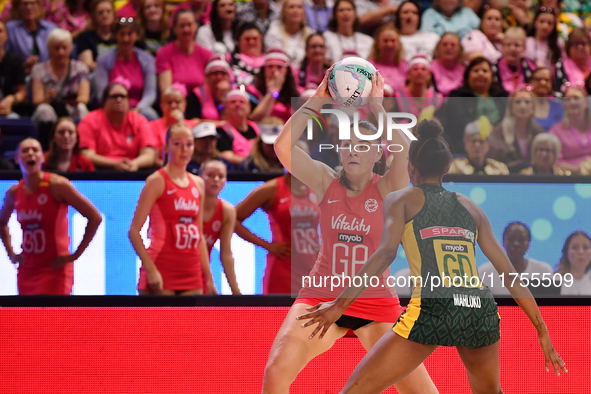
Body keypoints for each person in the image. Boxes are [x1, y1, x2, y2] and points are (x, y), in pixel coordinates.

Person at [296, 121, 566, 394]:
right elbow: (509, 275)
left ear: (411, 166)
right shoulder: (471, 207)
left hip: (433, 309)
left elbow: (385, 254)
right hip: (478, 311)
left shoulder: (401, 199)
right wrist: (541, 331)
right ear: (447, 167)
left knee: (355, 390)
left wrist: (339, 305)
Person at [265, 68, 437, 392]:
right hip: (321, 292)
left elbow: (406, 151)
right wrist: (317, 99)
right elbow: (282, 147)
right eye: (347, 144)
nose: (354, 150)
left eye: (363, 145)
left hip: (375, 302)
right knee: (275, 372)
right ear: (340, 152)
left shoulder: (389, 187)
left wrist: (378, 108)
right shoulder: (325, 181)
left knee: (424, 392)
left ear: (378, 153)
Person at [0, 138, 102, 295]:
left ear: (42, 156)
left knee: (53, 318)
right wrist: (11, 254)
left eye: (35, 150)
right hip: (27, 270)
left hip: (54, 269)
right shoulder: (14, 192)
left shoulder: (57, 185)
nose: (30, 154)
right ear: (16, 158)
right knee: (27, 319)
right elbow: (2, 223)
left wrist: (75, 254)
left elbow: (95, 217)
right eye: (25, 150)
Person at [128, 123, 217, 295]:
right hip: (161, 267)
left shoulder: (198, 183)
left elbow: (198, 235)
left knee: (192, 322)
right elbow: (133, 232)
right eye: (177, 144)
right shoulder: (157, 180)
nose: (184, 149)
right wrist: (150, 269)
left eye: (189, 144)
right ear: (166, 147)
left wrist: (209, 277)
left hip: (191, 271)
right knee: (161, 322)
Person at [234, 166, 320, 295]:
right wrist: (268, 246)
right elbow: (233, 219)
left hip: (313, 266)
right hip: (283, 266)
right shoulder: (271, 189)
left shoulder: (317, 188)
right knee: (279, 314)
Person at [31, 28, 90, 149]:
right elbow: (37, 101)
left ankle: (82, 148)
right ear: (49, 49)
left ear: (71, 49)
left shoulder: (80, 68)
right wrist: (46, 98)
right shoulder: (39, 69)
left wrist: (72, 100)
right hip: (50, 112)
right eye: (56, 48)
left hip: (71, 110)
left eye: (64, 48)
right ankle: (48, 148)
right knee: (43, 109)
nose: (61, 52)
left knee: (82, 108)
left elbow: (84, 98)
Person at [78, 80, 157, 170]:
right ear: (104, 101)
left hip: (132, 172)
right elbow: (86, 155)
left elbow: (149, 155)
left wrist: (135, 164)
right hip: (99, 174)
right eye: (114, 96)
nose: (119, 100)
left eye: (123, 96)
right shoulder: (89, 120)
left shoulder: (140, 121)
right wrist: (114, 164)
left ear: (129, 101)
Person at [437, 57, 508, 154]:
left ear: (492, 76)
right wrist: (483, 129)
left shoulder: (501, 96)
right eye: (476, 70)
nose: (480, 74)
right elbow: (457, 122)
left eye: (485, 71)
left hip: (500, 142)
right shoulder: (458, 95)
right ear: (467, 76)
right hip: (467, 143)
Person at [94, 17, 158, 120]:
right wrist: (118, 107)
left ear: (136, 35)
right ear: (116, 36)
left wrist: (138, 109)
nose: (126, 39)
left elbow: (150, 93)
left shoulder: (147, 59)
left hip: (139, 109)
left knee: (150, 115)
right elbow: (102, 94)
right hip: (112, 107)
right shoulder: (103, 60)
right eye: (122, 34)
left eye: (130, 34)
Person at [479, 221, 554, 296]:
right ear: (503, 241)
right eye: (511, 239)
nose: (516, 244)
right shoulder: (486, 272)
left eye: (522, 240)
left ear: (529, 243)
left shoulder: (543, 270)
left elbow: (549, 304)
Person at [201, 159, 240, 295]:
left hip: (201, 274)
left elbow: (226, 254)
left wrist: (236, 292)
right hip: (180, 268)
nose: (215, 180)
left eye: (221, 176)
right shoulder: (190, 203)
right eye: (210, 175)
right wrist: (209, 279)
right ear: (200, 177)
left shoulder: (227, 210)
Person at [155, 9, 212, 94]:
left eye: (189, 25)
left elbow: (209, 90)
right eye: (182, 26)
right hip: (175, 102)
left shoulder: (207, 54)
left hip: (200, 103)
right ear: (174, 28)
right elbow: (166, 91)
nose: (186, 29)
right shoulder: (164, 53)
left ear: (196, 26)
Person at [488, 89, 544, 172]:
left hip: (534, 178)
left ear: (533, 107)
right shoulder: (499, 131)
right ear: (511, 106)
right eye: (518, 102)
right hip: (507, 177)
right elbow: (495, 160)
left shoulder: (538, 131)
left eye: (527, 102)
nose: (522, 106)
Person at [248, 48, 300, 123]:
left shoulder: (295, 94)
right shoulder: (253, 91)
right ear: (264, 70)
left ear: (286, 71)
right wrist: (272, 92)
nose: (274, 71)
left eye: (279, 67)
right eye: (270, 67)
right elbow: (254, 119)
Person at [5, 0, 57, 74]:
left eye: (33, 3)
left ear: (39, 6)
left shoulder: (51, 28)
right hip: (19, 76)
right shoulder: (10, 29)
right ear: (18, 7)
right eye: (25, 4)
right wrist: (23, 66)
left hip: (48, 75)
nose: (29, 7)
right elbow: (5, 58)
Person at [151, 83, 197, 166]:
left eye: (177, 102)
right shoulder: (152, 126)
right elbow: (154, 158)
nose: (173, 106)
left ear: (184, 105)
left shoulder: (194, 126)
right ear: (161, 105)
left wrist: (180, 123)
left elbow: (195, 155)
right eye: (169, 102)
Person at [549, 86, 591, 173]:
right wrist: (579, 170)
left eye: (576, 98)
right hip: (570, 178)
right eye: (568, 99)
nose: (572, 102)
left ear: (586, 103)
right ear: (563, 104)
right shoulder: (556, 130)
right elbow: (555, 160)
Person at [264, 0, 313, 69]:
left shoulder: (310, 33)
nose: (296, 10)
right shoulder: (274, 33)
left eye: (299, 7)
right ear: (283, 12)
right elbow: (276, 60)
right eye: (291, 7)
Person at [216, 89, 260, 166]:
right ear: (225, 108)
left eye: (242, 102)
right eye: (233, 102)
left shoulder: (256, 128)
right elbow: (227, 156)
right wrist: (254, 163)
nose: (237, 104)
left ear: (249, 107)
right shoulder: (221, 130)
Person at [393, 55, 443, 120]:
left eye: (423, 69)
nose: (419, 72)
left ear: (429, 75)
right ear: (408, 74)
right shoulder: (397, 97)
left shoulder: (437, 99)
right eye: (415, 69)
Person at [185, 55, 232, 122]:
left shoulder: (233, 95)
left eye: (223, 74)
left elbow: (233, 122)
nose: (219, 77)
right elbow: (192, 121)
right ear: (207, 77)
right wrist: (220, 124)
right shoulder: (196, 95)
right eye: (215, 73)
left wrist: (221, 101)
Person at [492, 27, 537, 95]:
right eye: (508, 45)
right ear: (502, 47)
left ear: (524, 48)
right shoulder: (493, 68)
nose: (512, 49)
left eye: (517, 45)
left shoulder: (531, 67)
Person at [76, 0, 116, 72]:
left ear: (114, 14)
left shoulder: (120, 35)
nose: (105, 15)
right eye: (100, 12)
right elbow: (87, 64)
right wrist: (112, 69)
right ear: (94, 16)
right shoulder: (85, 37)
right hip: (95, 76)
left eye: (108, 11)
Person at [0, 20, 28, 117]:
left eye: (0, 31)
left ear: (6, 35)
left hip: (9, 111)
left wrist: (11, 99)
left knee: (14, 118)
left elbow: (22, 92)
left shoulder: (14, 61)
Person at [369, 23, 407, 92]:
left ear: (399, 44)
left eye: (393, 41)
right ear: (377, 44)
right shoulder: (369, 66)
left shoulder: (405, 65)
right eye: (385, 41)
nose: (389, 45)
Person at [554, 28, 591, 96]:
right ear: (569, 47)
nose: (580, 47)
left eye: (583, 43)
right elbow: (559, 93)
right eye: (576, 44)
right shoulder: (561, 65)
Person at [555, 231, 591, 296]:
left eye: (585, 247)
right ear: (566, 252)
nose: (581, 252)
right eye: (575, 247)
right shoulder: (555, 282)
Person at [431, 32, 465, 97]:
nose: (448, 47)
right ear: (438, 48)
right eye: (444, 44)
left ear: (460, 49)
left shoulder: (466, 70)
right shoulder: (430, 68)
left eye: (453, 45)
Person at [530, 67, 563, 132]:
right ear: (531, 82)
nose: (543, 83)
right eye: (538, 79)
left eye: (547, 80)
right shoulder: (524, 104)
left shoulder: (559, 107)